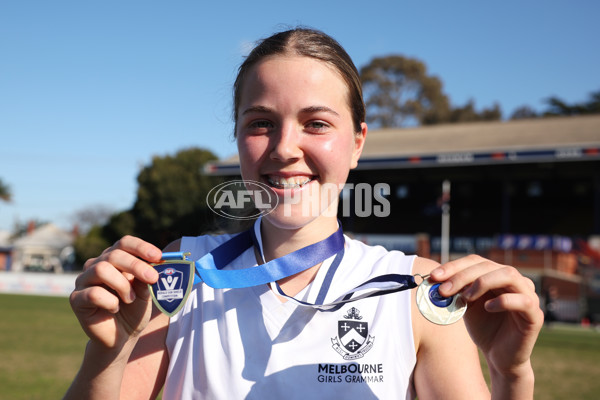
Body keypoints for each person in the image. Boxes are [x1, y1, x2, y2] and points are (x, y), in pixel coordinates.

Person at [65, 28, 544, 399]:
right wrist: (109, 352)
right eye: (261, 124)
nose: (285, 148)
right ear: (236, 138)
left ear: (357, 142)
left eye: (316, 123)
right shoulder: (180, 275)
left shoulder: (419, 292)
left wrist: (510, 374)